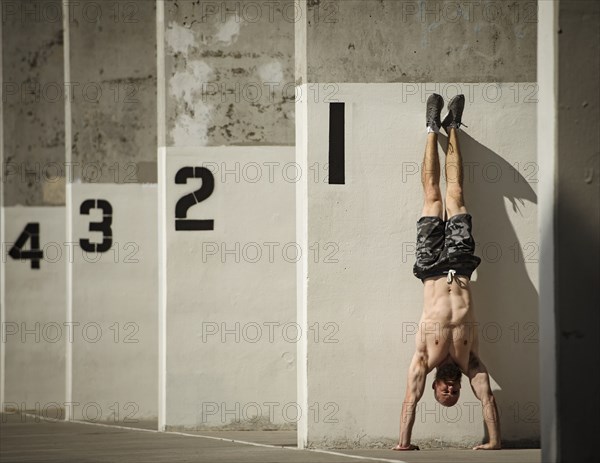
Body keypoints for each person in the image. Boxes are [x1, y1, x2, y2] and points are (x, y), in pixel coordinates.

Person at [392, 94, 501, 451]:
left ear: (436, 386)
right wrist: (494, 441)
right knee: (455, 193)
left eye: (445, 393)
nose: (451, 389)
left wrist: (403, 443)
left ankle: (430, 127)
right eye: (455, 394)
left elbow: (410, 398)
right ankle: (452, 125)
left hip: (430, 269)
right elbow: (486, 398)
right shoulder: (471, 362)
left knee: (432, 196)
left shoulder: (426, 359)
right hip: (462, 263)